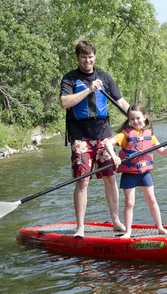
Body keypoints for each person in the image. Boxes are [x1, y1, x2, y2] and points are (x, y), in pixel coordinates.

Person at [60, 40, 129, 237]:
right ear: (78, 58)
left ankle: (116, 221)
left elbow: (120, 101)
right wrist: (89, 89)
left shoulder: (105, 77)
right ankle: (80, 227)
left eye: (90, 57)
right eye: (83, 57)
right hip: (81, 137)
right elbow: (64, 102)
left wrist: (136, 117)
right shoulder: (70, 79)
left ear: (95, 56)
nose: (87, 61)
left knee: (110, 177)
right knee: (82, 182)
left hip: (104, 136)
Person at [105, 104, 167, 238]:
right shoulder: (125, 135)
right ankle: (128, 232)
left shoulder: (150, 135)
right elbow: (107, 143)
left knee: (152, 200)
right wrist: (114, 156)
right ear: (129, 120)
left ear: (145, 117)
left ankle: (160, 227)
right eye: (132, 119)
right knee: (130, 203)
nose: (135, 121)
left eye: (138, 118)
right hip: (129, 175)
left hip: (145, 174)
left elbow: (163, 152)